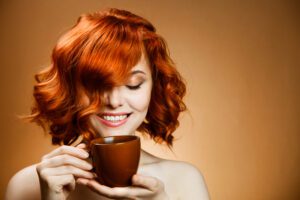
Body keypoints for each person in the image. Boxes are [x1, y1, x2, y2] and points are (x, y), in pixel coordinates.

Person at [5, 8, 210, 200]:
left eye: (133, 85)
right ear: (70, 89)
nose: (113, 101)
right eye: (97, 85)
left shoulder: (186, 180)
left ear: (153, 89)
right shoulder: (25, 186)